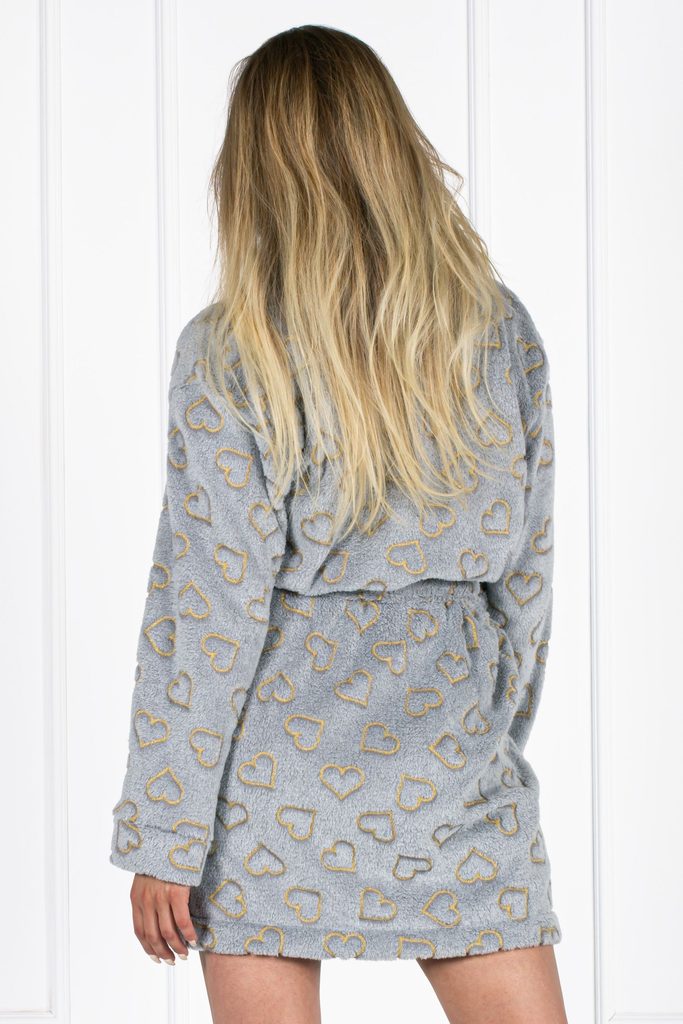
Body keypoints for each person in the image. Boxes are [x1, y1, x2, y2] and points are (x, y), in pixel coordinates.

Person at [109, 24, 568, 1024]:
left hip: (269, 788)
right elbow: (526, 582)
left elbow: (209, 611)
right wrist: (483, 736)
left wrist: (164, 833)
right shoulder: (496, 331)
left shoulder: (228, 354)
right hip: (453, 771)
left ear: (253, 172)